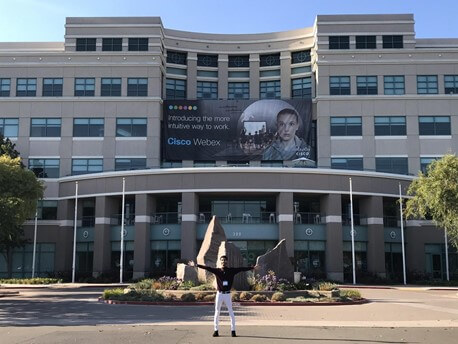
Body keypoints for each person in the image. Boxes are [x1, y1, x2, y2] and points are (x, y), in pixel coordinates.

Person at [189, 256, 258, 337]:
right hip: (219, 294)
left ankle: (233, 331)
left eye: (225, 260)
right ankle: (216, 330)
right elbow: (207, 268)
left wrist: (253, 267)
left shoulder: (231, 270)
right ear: (220, 262)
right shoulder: (217, 271)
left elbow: (241, 269)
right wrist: (196, 265)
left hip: (227, 294)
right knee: (217, 312)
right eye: (222, 260)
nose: (223, 262)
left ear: (227, 261)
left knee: (231, 312)